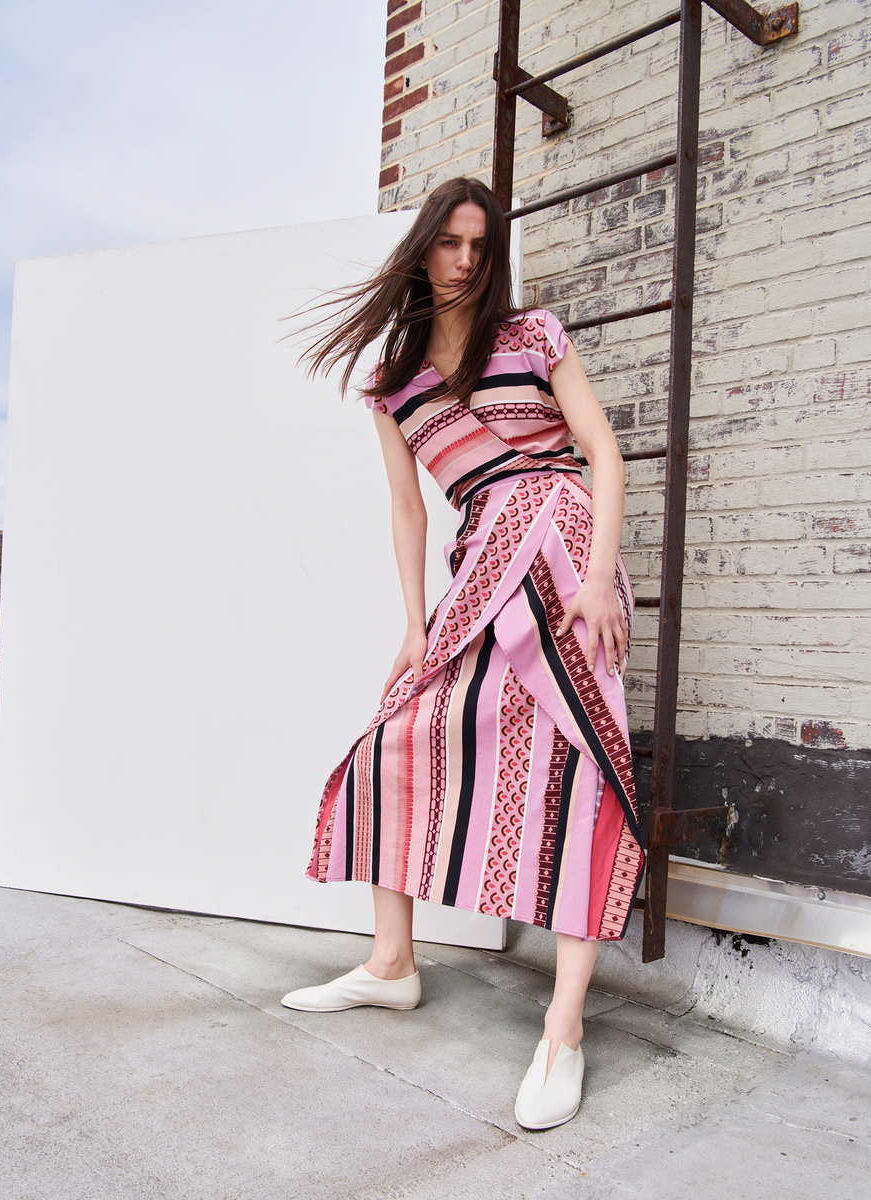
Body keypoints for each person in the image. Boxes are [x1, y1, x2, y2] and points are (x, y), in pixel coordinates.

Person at [281, 177, 644, 1131]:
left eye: (481, 244)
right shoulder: (394, 383)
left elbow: (601, 453)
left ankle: (563, 1029)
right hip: (481, 561)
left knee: (575, 772)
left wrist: (599, 578)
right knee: (395, 743)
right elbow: (408, 506)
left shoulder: (533, 336)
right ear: (422, 248)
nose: (466, 260)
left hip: (566, 555)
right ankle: (392, 964)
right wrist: (413, 622)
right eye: (449, 242)